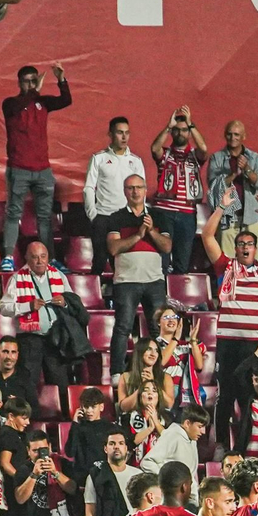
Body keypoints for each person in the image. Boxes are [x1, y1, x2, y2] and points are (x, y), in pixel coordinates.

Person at [202, 191, 258, 451]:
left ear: (256, 248)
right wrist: (221, 209)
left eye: (250, 244)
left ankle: (245, 448)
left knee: (250, 397)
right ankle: (222, 445)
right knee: (226, 395)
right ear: (235, 248)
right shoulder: (225, 267)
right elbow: (207, 236)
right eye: (241, 244)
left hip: (255, 347)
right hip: (228, 343)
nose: (245, 247)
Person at [0, 63, 71, 272]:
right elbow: (19, 104)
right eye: (27, 81)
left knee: (45, 217)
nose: (31, 84)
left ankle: (50, 258)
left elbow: (66, 100)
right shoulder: (11, 104)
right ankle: (7, 257)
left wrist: (61, 80)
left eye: (34, 80)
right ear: (19, 83)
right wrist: (35, 91)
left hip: (43, 170)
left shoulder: (42, 102)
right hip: (19, 168)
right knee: (13, 213)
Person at [0, 240, 94, 391]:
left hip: (55, 337)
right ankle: (29, 414)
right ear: (27, 258)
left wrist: (64, 302)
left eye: (43, 256)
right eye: (35, 257)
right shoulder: (17, 278)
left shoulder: (59, 275)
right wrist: (28, 306)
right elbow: (4, 308)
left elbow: (72, 301)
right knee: (28, 382)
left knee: (60, 382)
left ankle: (62, 413)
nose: (39, 261)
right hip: (30, 339)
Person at [104, 174, 172, 374]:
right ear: (125, 191)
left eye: (139, 187)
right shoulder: (115, 218)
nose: (135, 192)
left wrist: (151, 232)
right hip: (126, 282)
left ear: (145, 190)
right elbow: (114, 248)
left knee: (157, 328)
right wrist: (138, 235)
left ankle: (160, 371)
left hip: (154, 281)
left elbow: (167, 247)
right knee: (123, 327)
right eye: (130, 188)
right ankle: (117, 373)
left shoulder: (159, 216)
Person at [84, 116, 147, 278]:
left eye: (127, 133)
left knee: (124, 262)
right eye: (120, 133)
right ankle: (95, 298)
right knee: (99, 260)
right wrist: (94, 215)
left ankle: (119, 298)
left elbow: (141, 190)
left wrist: (139, 215)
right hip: (103, 217)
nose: (124, 137)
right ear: (110, 134)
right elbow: (89, 188)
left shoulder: (136, 161)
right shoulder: (99, 158)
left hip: (126, 218)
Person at [149, 105, 208, 274]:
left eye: (184, 130)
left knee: (182, 263)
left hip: (187, 214)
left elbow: (204, 149)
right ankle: (161, 297)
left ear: (189, 133)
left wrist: (191, 124)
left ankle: (178, 298)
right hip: (163, 211)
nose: (180, 133)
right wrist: (168, 126)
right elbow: (154, 149)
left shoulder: (195, 156)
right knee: (162, 261)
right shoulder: (165, 154)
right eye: (176, 130)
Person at [207, 120, 258, 255]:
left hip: (251, 216)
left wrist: (247, 168)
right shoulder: (217, 158)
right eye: (229, 134)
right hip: (227, 217)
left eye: (236, 135)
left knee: (251, 262)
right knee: (227, 262)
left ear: (243, 136)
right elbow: (213, 186)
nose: (232, 138)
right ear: (224, 135)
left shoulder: (254, 158)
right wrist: (233, 174)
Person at [84, 428, 137, 516]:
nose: (116, 447)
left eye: (121, 443)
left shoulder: (138, 475)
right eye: (112, 443)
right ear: (105, 449)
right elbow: (90, 515)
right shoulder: (95, 476)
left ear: (126, 448)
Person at [139, 403, 208, 491]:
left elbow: (189, 476)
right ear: (187, 423)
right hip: (169, 498)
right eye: (200, 427)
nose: (203, 432)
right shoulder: (173, 435)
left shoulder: (192, 439)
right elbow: (147, 462)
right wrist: (170, 482)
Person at [0, 337, 34, 409]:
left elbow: (36, 410)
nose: (9, 357)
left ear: (17, 355)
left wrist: (18, 406)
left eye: (13, 352)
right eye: (5, 352)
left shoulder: (25, 377)